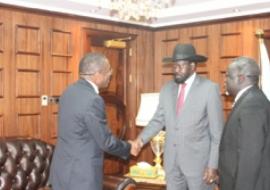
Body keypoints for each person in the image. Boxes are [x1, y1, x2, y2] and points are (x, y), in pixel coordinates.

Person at [133, 44, 224, 190]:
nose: (176, 70)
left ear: (193, 66)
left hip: (199, 166)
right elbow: (158, 120)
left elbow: (217, 133)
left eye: (180, 66)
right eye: (174, 66)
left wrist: (213, 165)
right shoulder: (167, 89)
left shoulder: (209, 89)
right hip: (171, 163)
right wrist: (140, 140)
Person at [49, 53, 135, 190]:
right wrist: (129, 148)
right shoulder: (93, 100)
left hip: (62, 172)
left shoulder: (68, 92)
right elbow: (105, 142)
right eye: (108, 71)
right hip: (82, 177)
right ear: (97, 74)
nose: (110, 75)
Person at [219, 56, 270, 190]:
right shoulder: (250, 99)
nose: (224, 81)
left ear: (241, 78)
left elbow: (250, 157)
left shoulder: (252, 106)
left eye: (227, 76)